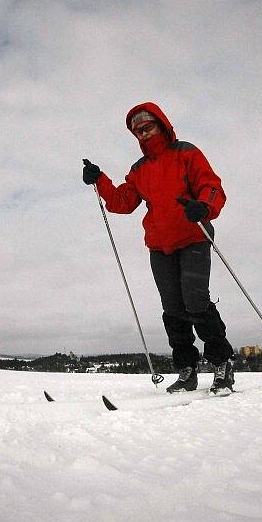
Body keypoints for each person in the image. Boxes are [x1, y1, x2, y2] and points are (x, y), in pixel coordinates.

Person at [82, 102, 234, 393]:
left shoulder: (186, 152)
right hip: (159, 246)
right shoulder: (139, 170)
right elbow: (121, 202)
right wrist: (99, 180)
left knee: (196, 302)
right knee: (173, 309)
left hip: (193, 236)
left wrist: (204, 206)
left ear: (161, 124)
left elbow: (211, 184)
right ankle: (187, 369)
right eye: (137, 130)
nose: (143, 133)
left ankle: (222, 363)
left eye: (147, 126)